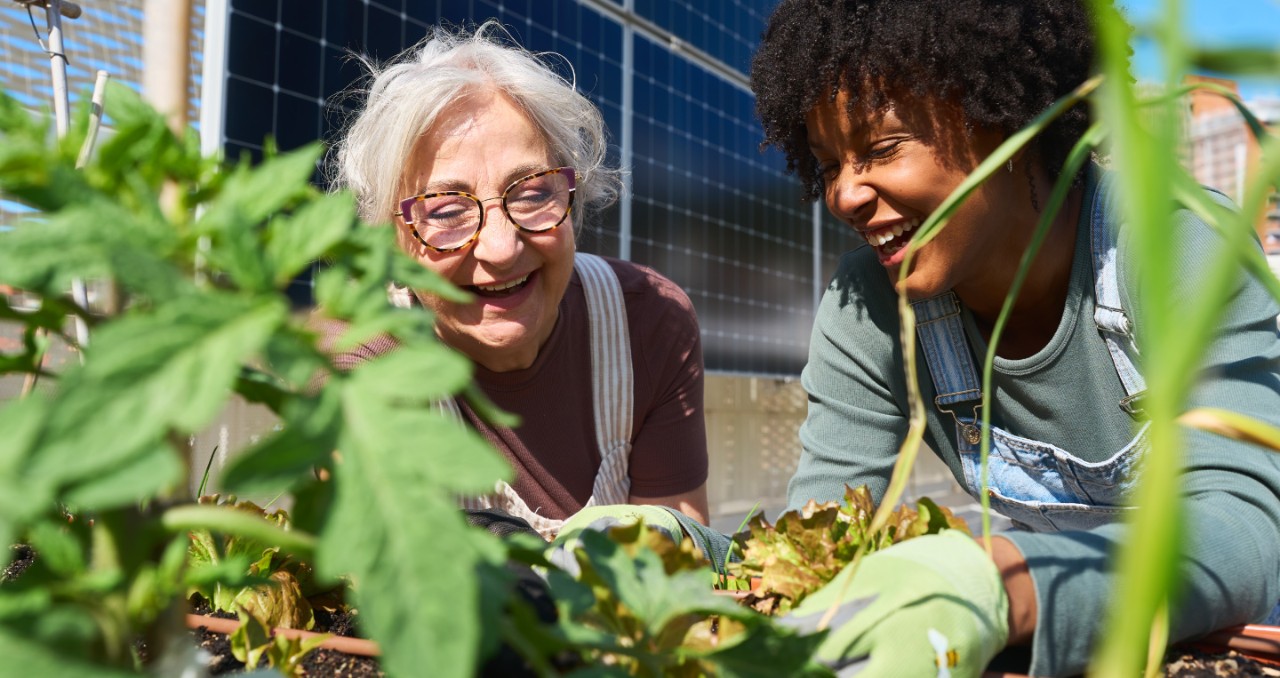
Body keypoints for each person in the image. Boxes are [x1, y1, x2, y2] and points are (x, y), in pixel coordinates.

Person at [749, 0, 1280, 676]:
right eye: (828, 165)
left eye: (880, 149)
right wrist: (670, 545)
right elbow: (819, 542)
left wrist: (999, 583)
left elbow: (1242, 536)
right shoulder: (870, 306)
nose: (846, 195)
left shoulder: (1176, 245)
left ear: (1010, 124)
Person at [324, 22, 709, 539]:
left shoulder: (649, 323)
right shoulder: (359, 360)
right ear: (392, 239)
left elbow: (679, 566)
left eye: (531, 194)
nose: (501, 248)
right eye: (446, 211)